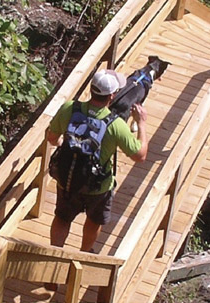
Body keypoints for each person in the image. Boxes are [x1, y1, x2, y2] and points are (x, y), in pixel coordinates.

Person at [46, 67, 148, 252]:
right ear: (112, 96)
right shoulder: (116, 125)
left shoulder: (69, 108)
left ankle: (54, 256)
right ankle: (84, 254)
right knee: (93, 222)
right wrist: (141, 124)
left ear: (91, 89)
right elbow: (140, 156)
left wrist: (64, 144)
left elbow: (51, 137)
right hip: (98, 187)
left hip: (67, 180)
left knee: (62, 219)